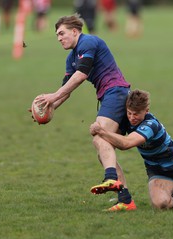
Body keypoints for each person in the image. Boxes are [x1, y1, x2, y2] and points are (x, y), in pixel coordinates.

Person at [33, 14, 136, 211]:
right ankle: (125, 199)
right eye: (56, 35)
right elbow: (67, 90)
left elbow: (81, 76)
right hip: (110, 96)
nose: (59, 38)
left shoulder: (88, 41)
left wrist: (52, 96)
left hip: (116, 92)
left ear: (75, 31)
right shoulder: (71, 58)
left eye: (62, 33)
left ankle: (111, 179)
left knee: (99, 137)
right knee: (103, 152)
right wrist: (50, 107)